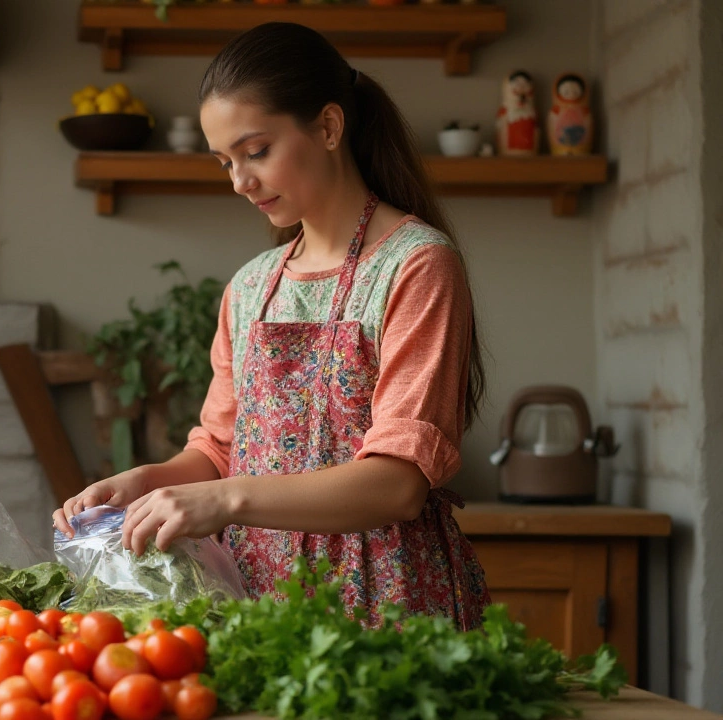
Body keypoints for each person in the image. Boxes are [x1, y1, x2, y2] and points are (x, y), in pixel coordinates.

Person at [52, 22, 491, 631]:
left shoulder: (417, 265)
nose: (240, 181)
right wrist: (144, 483)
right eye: (226, 161)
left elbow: (398, 485)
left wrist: (222, 499)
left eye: (256, 151)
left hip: (385, 603)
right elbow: (219, 449)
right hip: (256, 599)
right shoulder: (251, 287)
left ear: (329, 127)